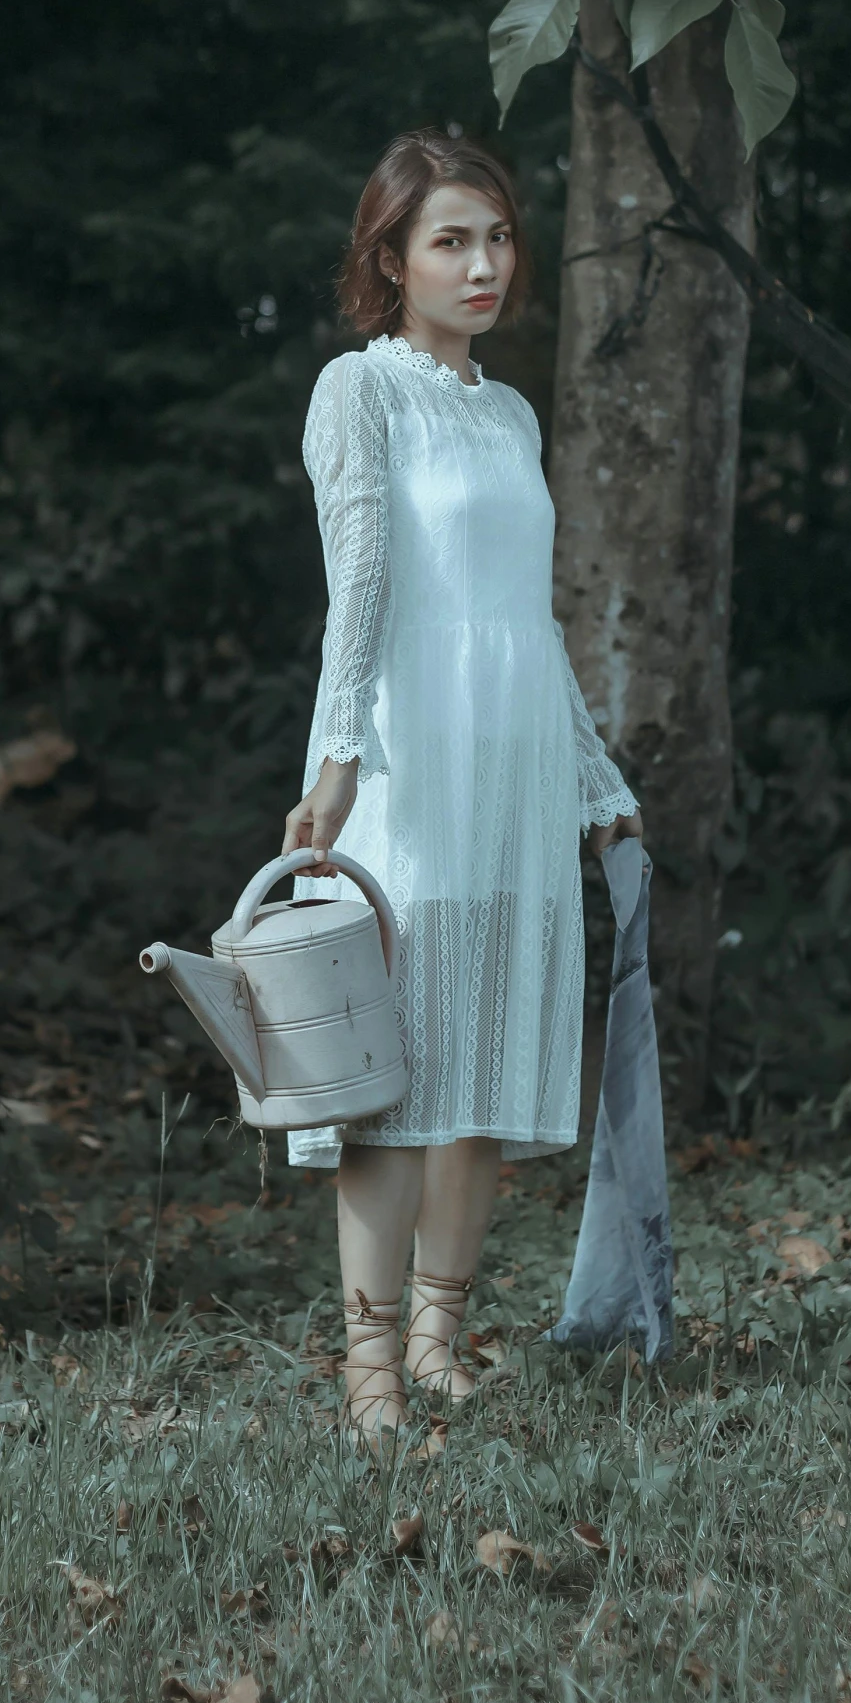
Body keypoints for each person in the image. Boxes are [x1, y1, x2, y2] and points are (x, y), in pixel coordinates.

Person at [280, 126, 644, 1438]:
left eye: (495, 236)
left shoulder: (509, 411)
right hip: (408, 767)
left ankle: (438, 1341)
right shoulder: (357, 393)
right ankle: (367, 1368)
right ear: (392, 256)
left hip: (514, 767)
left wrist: (595, 776)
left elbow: (528, 616)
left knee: (480, 1066)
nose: (483, 262)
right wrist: (334, 769)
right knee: (389, 1081)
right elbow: (361, 588)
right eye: (450, 240)